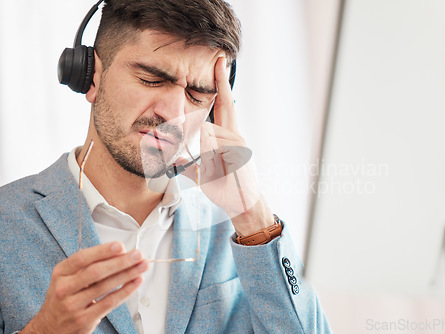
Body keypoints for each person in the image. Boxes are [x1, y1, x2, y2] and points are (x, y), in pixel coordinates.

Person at [0, 0, 332, 333]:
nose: (173, 114)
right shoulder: (7, 223)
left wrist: (250, 211)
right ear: (91, 75)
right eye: (152, 79)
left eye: (197, 94)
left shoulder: (240, 235)